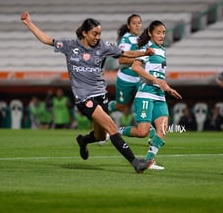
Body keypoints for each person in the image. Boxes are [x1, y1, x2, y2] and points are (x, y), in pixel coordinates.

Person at [20, 11, 154, 173]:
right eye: (94, 33)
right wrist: (28, 23)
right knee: (112, 127)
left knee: (99, 135)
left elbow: (124, 53)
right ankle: (135, 163)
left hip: (101, 96)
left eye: (99, 34)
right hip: (84, 99)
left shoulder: (102, 46)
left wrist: (143, 53)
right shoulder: (70, 46)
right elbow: (47, 40)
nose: (97, 37)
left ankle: (83, 141)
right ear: (84, 33)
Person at [119, 20, 182, 170]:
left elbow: (158, 75)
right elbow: (135, 67)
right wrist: (156, 80)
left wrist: (167, 87)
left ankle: (148, 161)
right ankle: (115, 131)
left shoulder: (163, 50)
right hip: (146, 93)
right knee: (142, 132)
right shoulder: (148, 49)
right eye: (158, 32)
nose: (161, 35)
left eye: (163, 32)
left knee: (162, 129)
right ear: (150, 33)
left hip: (159, 95)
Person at [108, 14, 143, 113]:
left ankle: (147, 127)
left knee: (146, 103)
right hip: (126, 79)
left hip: (140, 79)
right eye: (134, 23)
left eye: (139, 23)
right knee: (121, 106)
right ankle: (106, 107)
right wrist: (142, 59)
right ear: (129, 26)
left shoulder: (142, 39)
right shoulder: (125, 39)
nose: (137, 25)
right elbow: (122, 60)